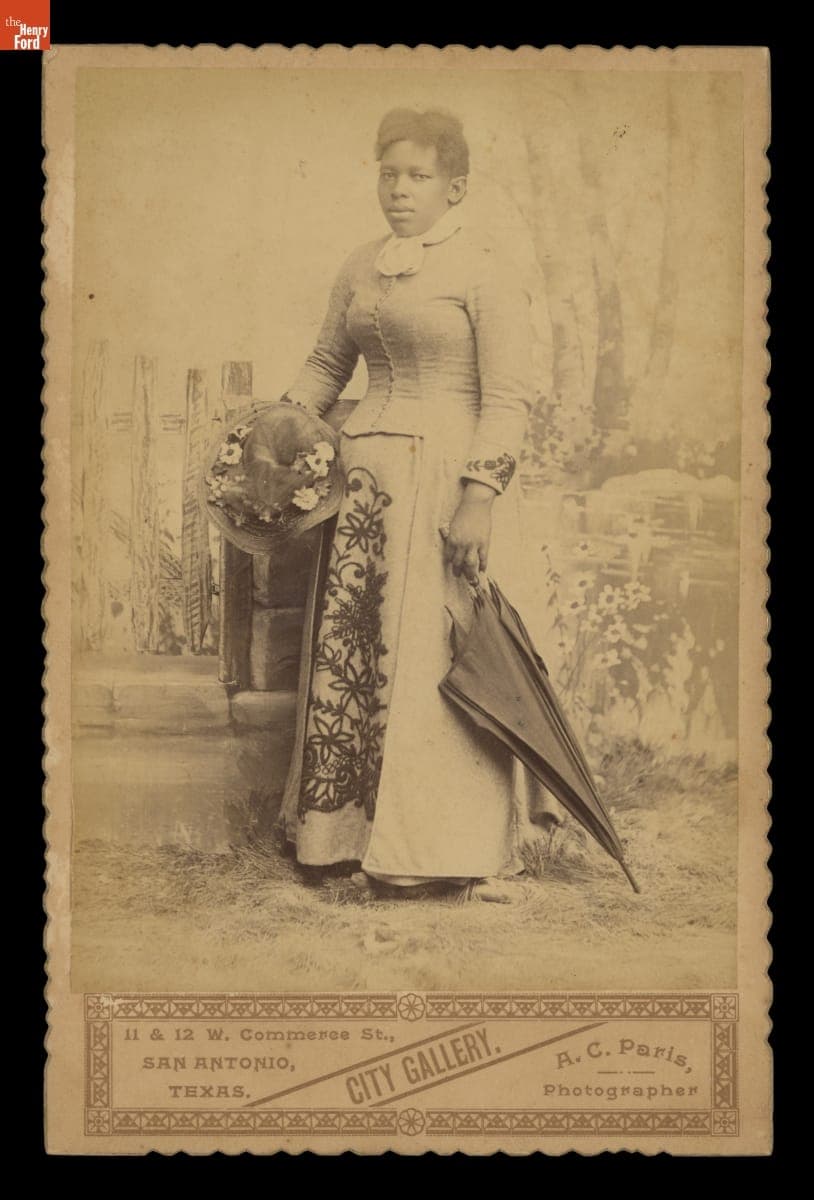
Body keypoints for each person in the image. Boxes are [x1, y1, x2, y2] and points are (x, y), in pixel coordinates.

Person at [277, 107, 560, 900]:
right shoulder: (362, 264)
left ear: (456, 186)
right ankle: (341, 836)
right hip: (361, 491)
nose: (399, 190)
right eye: (388, 173)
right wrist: (272, 434)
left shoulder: (484, 269)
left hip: (441, 482)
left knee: (427, 658)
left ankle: (432, 847)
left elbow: (507, 397)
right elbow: (327, 364)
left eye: (418, 176)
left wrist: (480, 495)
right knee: (358, 653)